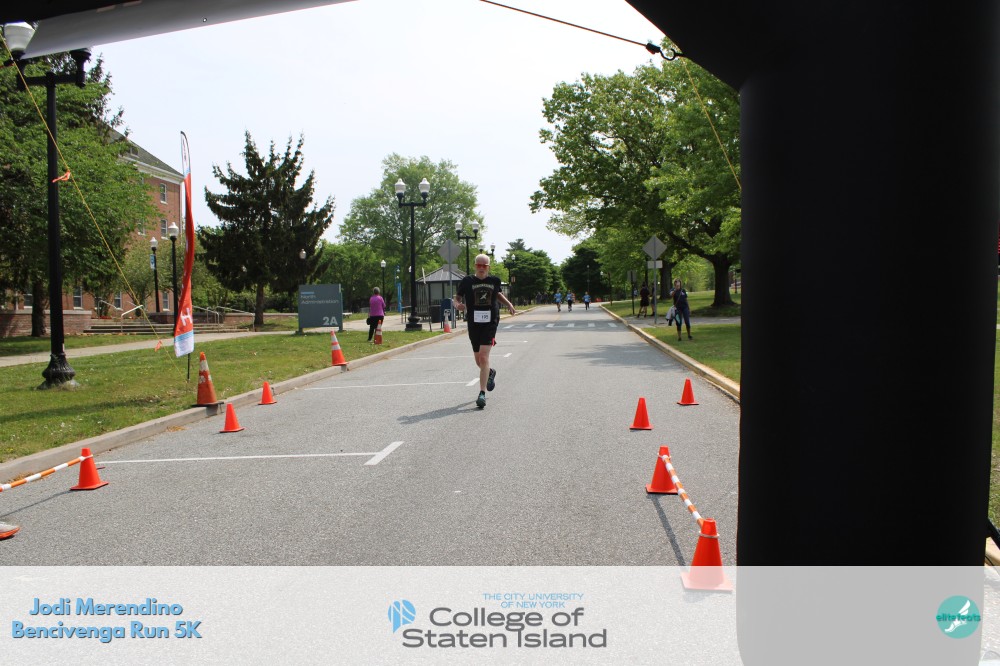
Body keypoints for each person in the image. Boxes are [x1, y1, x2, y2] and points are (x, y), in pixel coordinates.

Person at [454, 254, 516, 408]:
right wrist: (457, 305)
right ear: (475, 265)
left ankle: (482, 393)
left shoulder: (494, 280)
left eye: (484, 265)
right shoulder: (467, 281)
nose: (481, 268)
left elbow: (498, 294)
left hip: (490, 322)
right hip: (474, 323)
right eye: (479, 265)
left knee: (483, 356)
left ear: (488, 267)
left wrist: (509, 304)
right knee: (479, 361)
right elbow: (458, 298)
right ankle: (490, 372)